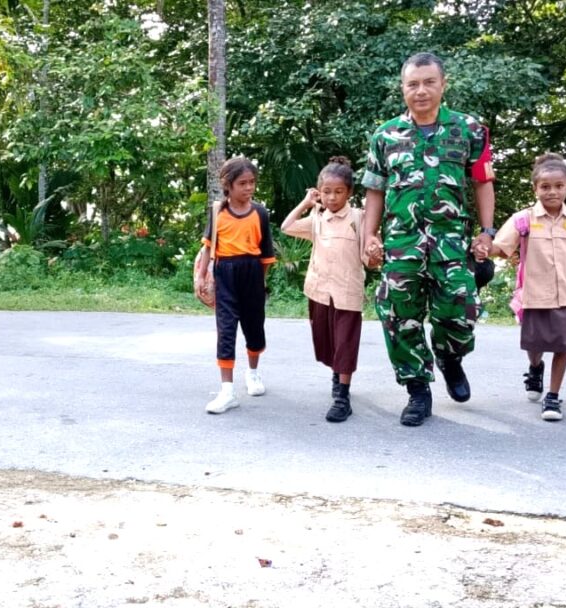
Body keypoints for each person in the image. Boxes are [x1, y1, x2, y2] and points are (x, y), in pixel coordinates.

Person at [360, 52, 496, 427]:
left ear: (443, 84)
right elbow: (374, 189)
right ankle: (418, 389)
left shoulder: (469, 129)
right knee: (396, 312)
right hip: (401, 242)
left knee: (461, 310)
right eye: (412, 84)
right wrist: (369, 236)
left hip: (451, 242)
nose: (420, 91)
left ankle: (450, 357)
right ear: (403, 89)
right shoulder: (385, 135)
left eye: (428, 82)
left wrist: (487, 232)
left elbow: (483, 182)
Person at [491, 153, 566, 421]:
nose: (552, 192)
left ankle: (552, 396)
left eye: (558, 186)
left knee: (563, 345)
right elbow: (501, 248)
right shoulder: (523, 219)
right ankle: (535, 366)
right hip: (535, 295)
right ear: (535, 189)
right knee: (535, 344)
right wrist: (484, 247)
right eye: (545, 186)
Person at [281, 157, 366, 423]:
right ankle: (336, 375)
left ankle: (343, 396)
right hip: (319, 290)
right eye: (326, 192)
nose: (332, 197)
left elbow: (369, 252)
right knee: (327, 342)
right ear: (319, 191)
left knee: (345, 343)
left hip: (347, 292)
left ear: (349, 192)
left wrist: (374, 254)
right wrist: (307, 203)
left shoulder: (358, 218)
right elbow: (287, 227)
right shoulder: (317, 218)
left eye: (338, 191)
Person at [194, 157, 276, 414]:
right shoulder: (218, 212)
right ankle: (227, 391)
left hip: (252, 273)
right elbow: (208, 246)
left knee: (254, 328)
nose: (249, 187)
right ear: (228, 185)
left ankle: (252, 374)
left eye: (252, 182)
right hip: (224, 274)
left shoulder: (260, 213)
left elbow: (266, 256)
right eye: (243, 183)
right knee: (226, 330)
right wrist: (201, 276)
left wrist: (259, 282)